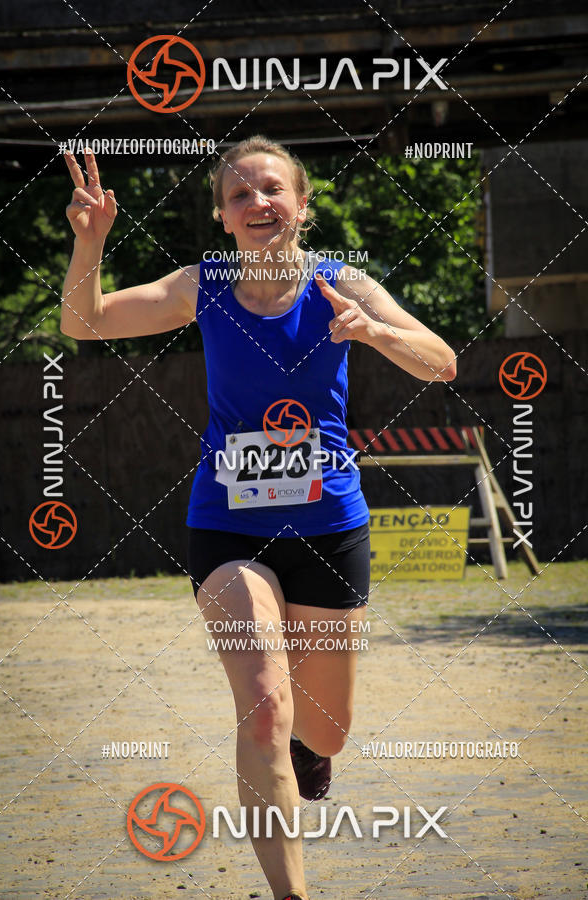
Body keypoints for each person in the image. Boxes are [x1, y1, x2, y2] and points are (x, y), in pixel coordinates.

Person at [61, 136, 456, 900]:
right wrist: (90, 245)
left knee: (325, 727)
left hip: (329, 531)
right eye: (240, 195)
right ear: (222, 216)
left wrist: (373, 332)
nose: (259, 203)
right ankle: (291, 894)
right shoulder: (199, 286)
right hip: (228, 528)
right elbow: (86, 323)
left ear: (302, 205)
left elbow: (440, 360)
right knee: (265, 704)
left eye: (273, 189)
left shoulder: (342, 284)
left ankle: (313, 751)